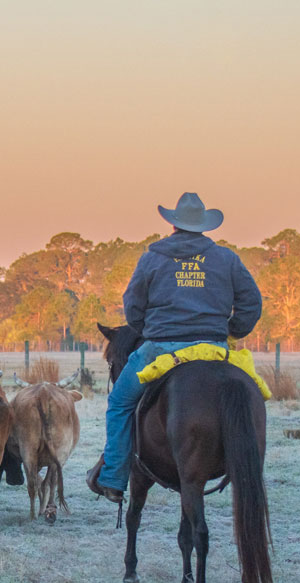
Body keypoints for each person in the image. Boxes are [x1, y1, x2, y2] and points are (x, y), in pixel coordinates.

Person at [88, 192, 262, 504]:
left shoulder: (152, 257)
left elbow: (132, 307)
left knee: (119, 402)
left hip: (160, 349)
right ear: (204, 227)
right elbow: (251, 304)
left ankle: (113, 477)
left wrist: (149, 331)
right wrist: (229, 331)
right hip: (214, 349)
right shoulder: (227, 259)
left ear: (173, 225)